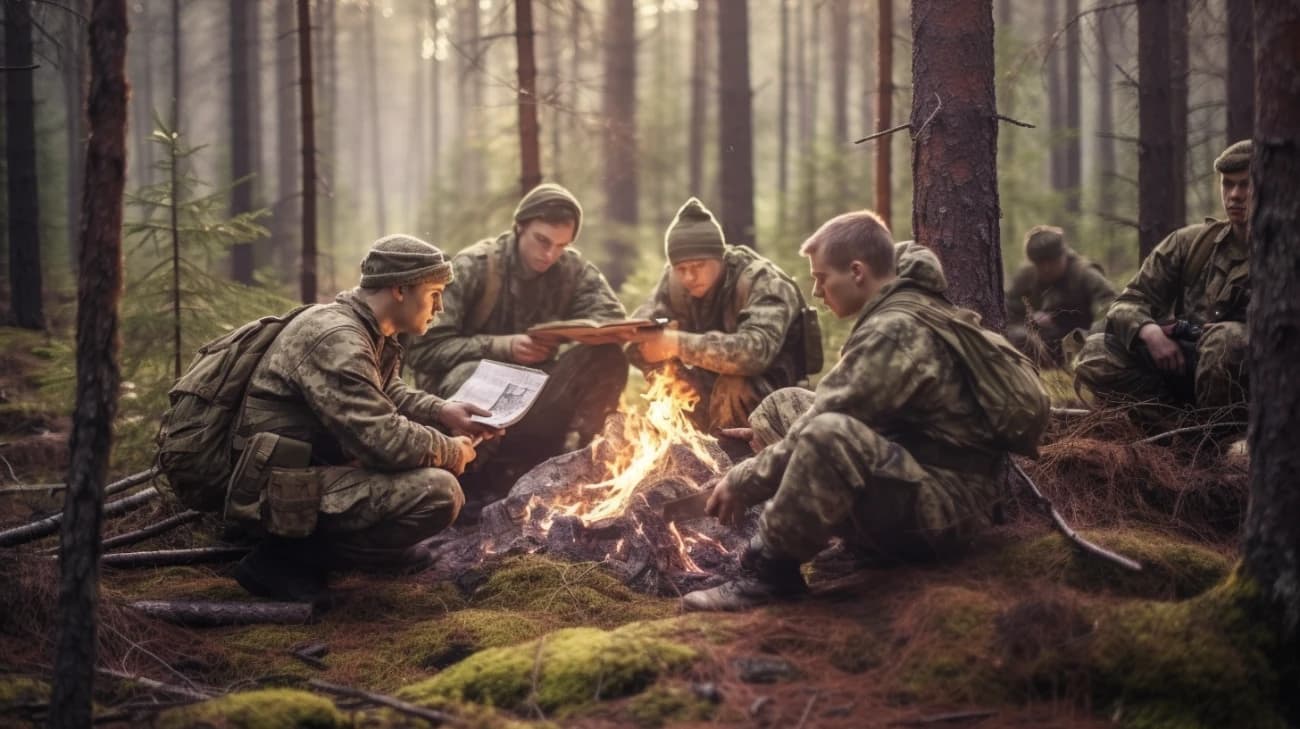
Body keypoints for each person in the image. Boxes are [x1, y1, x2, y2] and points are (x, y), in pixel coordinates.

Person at [681, 212, 1046, 611]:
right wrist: (770, 455)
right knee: (785, 405)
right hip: (921, 478)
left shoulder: (893, 331)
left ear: (857, 272)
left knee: (827, 435)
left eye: (821, 278)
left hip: (944, 513)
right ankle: (849, 542)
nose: (817, 291)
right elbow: (831, 408)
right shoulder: (903, 310)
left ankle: (769, 574)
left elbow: (827, 426)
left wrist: (744, 480)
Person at [227, 235, 500, 601]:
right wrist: (453, 451)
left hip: (296, 469)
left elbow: (385, 391)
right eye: (434, 293)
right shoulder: (339, 340)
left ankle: (364, 551)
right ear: (400, 290)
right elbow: (385, 441)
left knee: (426, 459)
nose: (441, 307)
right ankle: (284, 559)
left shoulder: (363, 327)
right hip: (268, 489)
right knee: (438, 493)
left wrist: (442, 410)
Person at [404, 183, 630, 480]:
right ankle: (468, 478)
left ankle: (586, 465)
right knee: (473, 375)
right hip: (465, 406)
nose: (550, 254)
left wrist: (566, 335)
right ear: (519, 227)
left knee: (607, 357)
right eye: (542, 241)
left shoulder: (571, 270)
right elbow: (421, 349)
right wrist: (502, 347)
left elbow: (611, 320)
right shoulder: (475, 267)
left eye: (561, 246)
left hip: (537, 399)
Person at [1073, 140, 1252, 424]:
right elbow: (1128, 302)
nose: (1234, 196)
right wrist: (1148, 331)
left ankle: (1226, 435)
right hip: (1188, 366)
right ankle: (1180, 430)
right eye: (1228, 184)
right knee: (1095, 353)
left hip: (1259, 384)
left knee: (1226, 341)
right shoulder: (1193, 244)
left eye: (1245, 185)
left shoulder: (1286, 253)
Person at [627, 198, 819, 431]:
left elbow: (753, 353)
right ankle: (686, 451)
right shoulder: (674, 282)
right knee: (669, 377)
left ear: (720, 257)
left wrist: (676, 343)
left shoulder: (762, 281)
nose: (689, 277)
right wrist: (649, 343)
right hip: (709, 382)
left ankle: (734, 459)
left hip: (775, 394)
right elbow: (638, 331)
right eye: (681, 269)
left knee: (734, 385)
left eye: (698, 266)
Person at [1004, 225, 1115, 366]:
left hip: (1081, 343)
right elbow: (1008, 308)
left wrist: (1088, 337)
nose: (1046, 269)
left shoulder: (1084, 274)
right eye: (1040, 263)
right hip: (1043, 344)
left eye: (1052, 261)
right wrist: (1030, 318)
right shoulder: (1027, 276)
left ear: (1063, 255)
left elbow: (1109, 307)